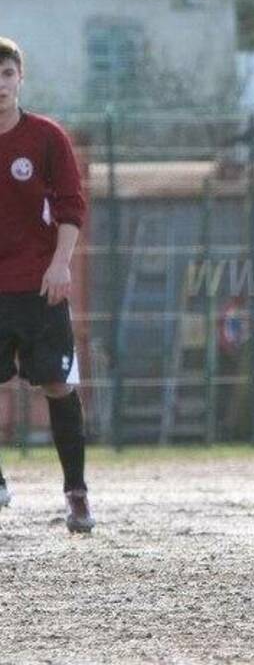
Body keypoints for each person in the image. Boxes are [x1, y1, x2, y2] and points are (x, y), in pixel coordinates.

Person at [0, 36, 94, 532]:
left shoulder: (46, 137)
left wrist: (60, 264)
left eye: (6, 74)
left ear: (19, 78)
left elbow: (71, 206)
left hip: (39, 287)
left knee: (58, 386)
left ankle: (76, 494)